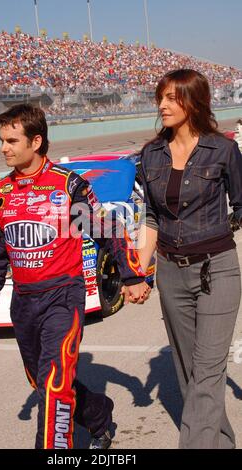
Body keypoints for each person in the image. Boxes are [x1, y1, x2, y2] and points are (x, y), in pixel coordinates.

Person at [0, 103, 150, 450]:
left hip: (63, 297)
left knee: (54, 384)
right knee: (45, 382)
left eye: (11, 140)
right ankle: (99, 414)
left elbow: (107, 231)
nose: (3, 148)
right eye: (1, 140)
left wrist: (132, 277)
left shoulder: (69, 186)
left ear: (36, 141)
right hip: (23, 303)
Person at [135, 69, 242, 449]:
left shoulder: (224, 150)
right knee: (190, 373)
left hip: (218, 269)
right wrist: (138, 272)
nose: (161, 105)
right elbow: (150, 216)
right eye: (160, 97)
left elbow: (241, 205)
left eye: (171, 98)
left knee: (209, 373)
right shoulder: (149, 155)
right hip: (170, 273)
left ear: (193, 101)